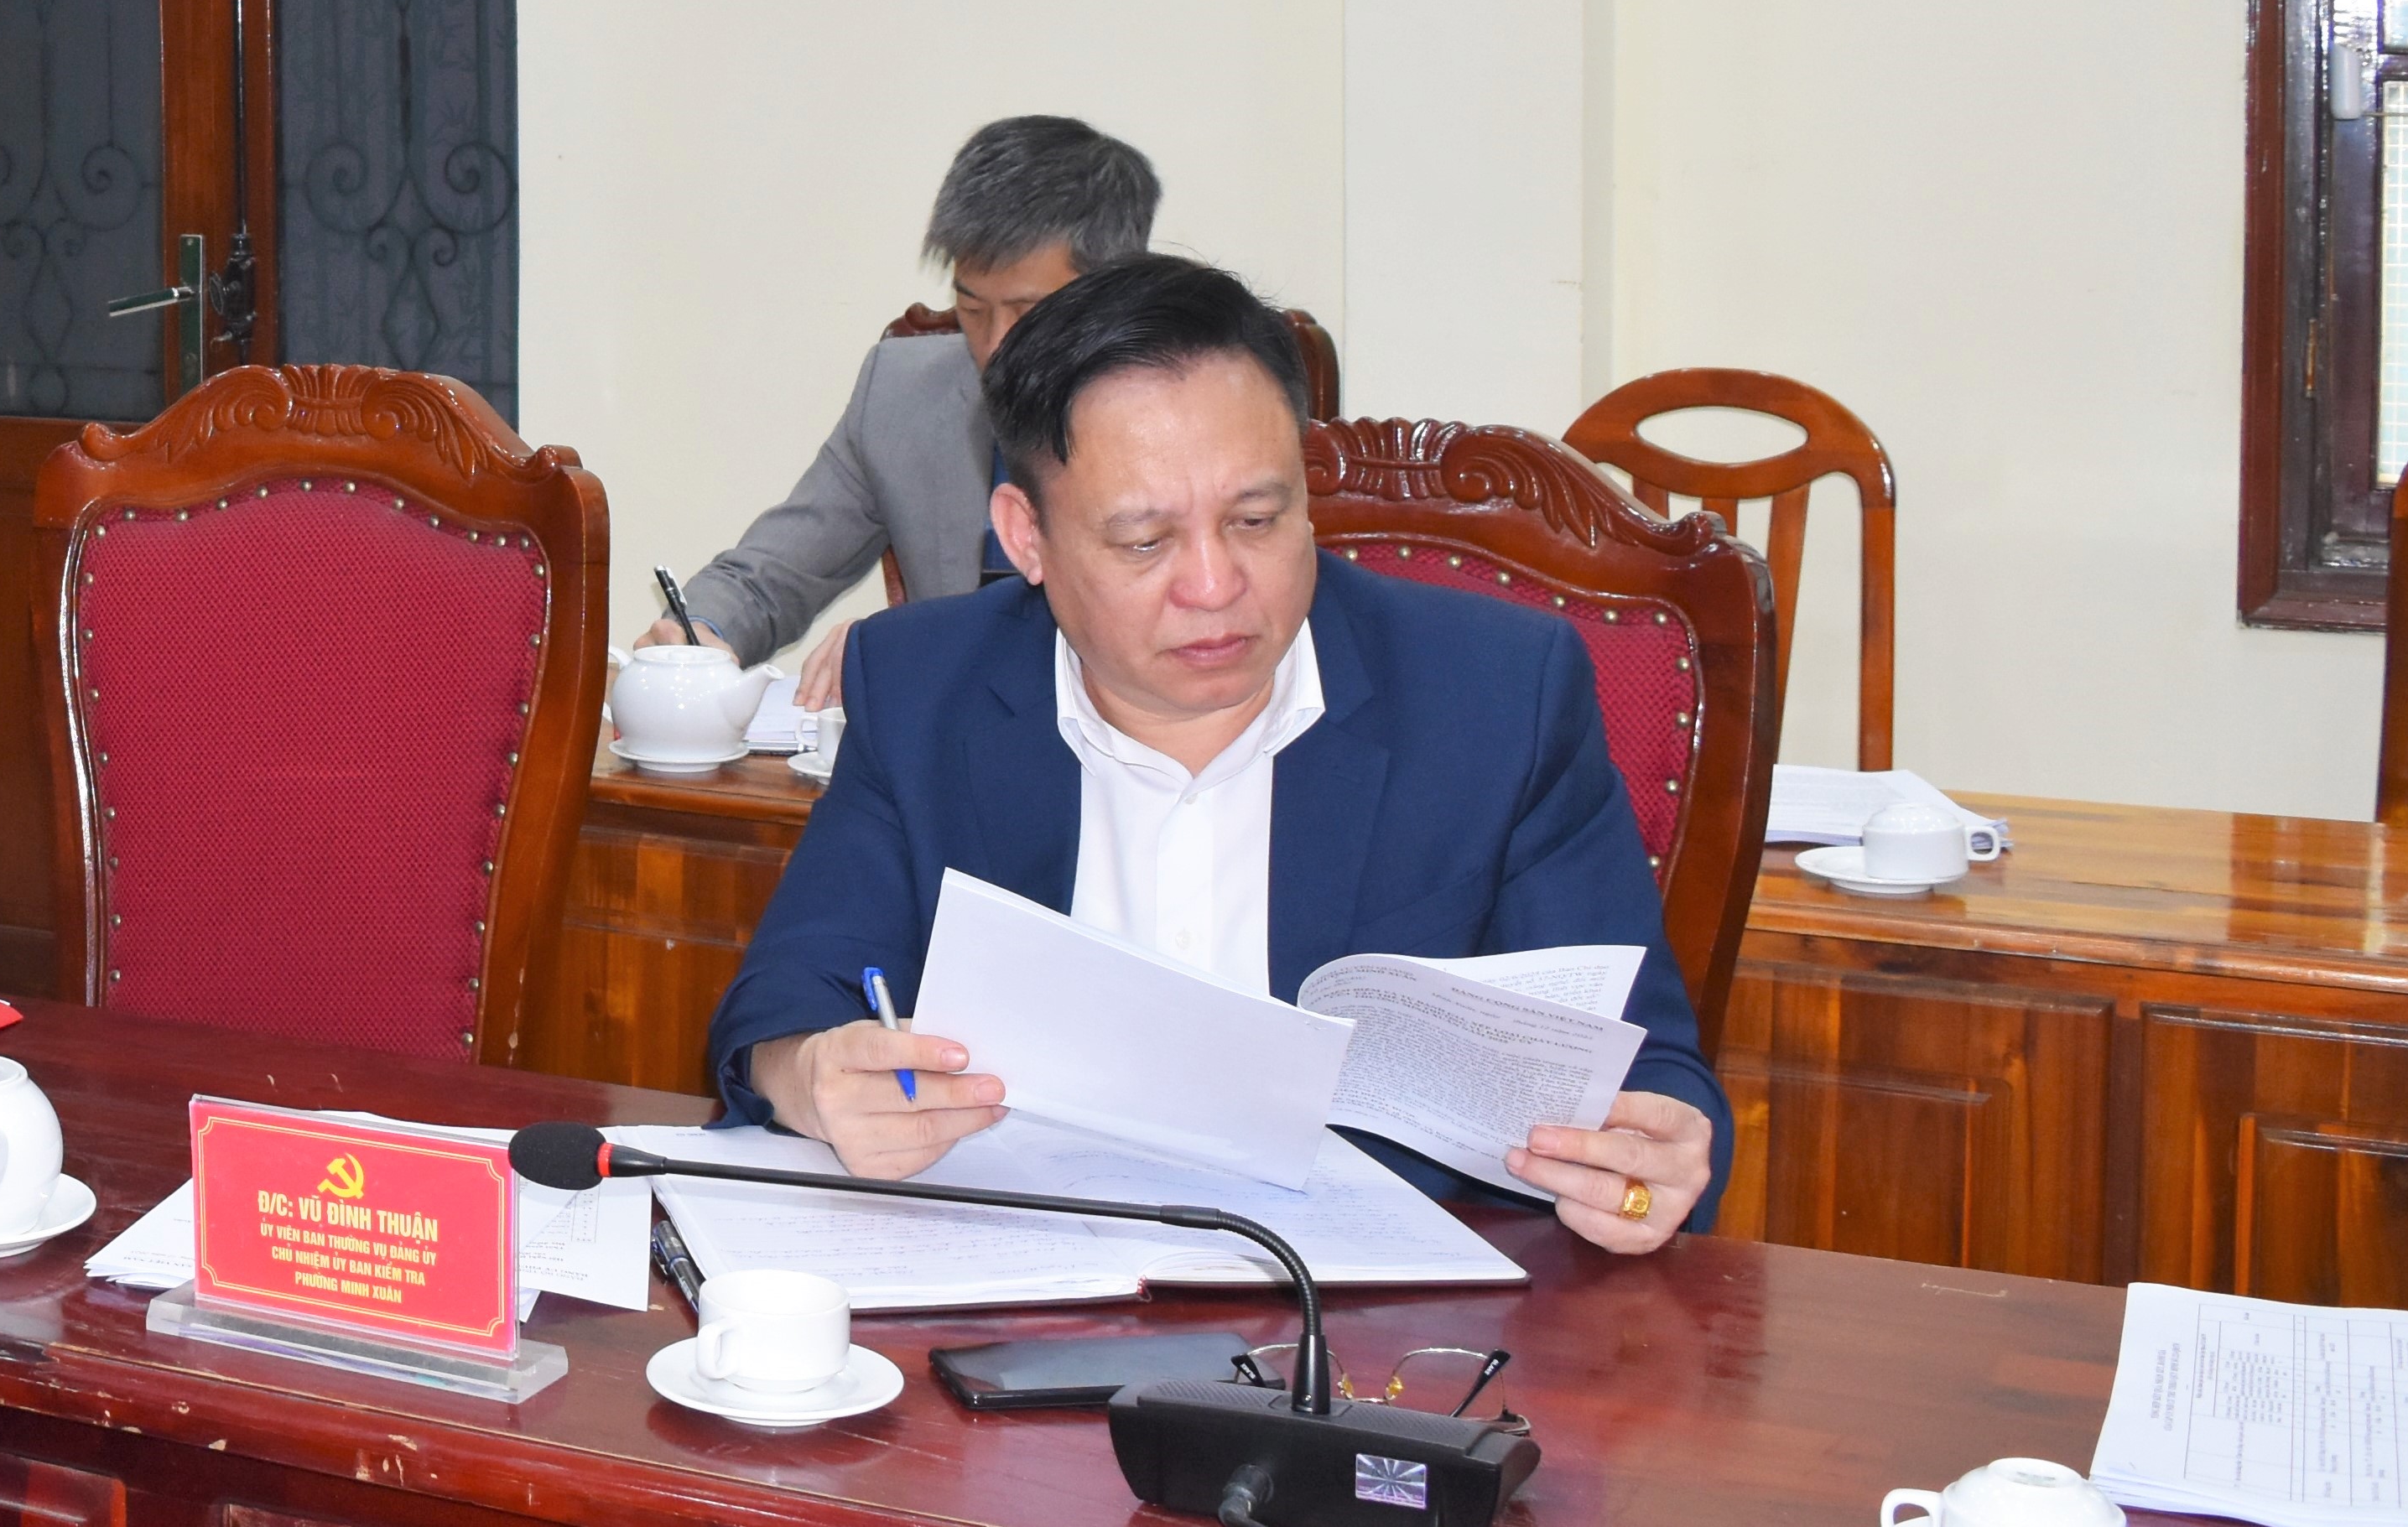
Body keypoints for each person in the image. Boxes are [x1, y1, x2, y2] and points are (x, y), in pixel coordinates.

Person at [702, 253, 1730, 1254]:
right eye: (1145, 542)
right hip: (1023, 1291)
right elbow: (786, 1008)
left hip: (1380, 1331)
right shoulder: (924, 686)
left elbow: (1651, 1081)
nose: (1214, 585)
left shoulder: (1495, 696)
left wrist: (1650, 1168)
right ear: (1025, 536)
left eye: (1255, 519)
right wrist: (815, 1080)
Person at [634, 117, 1160, 709]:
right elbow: (769, 577)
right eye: (972, 307)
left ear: (1114, 291)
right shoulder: (903, 395)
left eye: (1028, 311)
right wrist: (698, 633)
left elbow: (1159, 628)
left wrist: (900, 648)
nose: (996, 346)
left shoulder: (1187, 417)